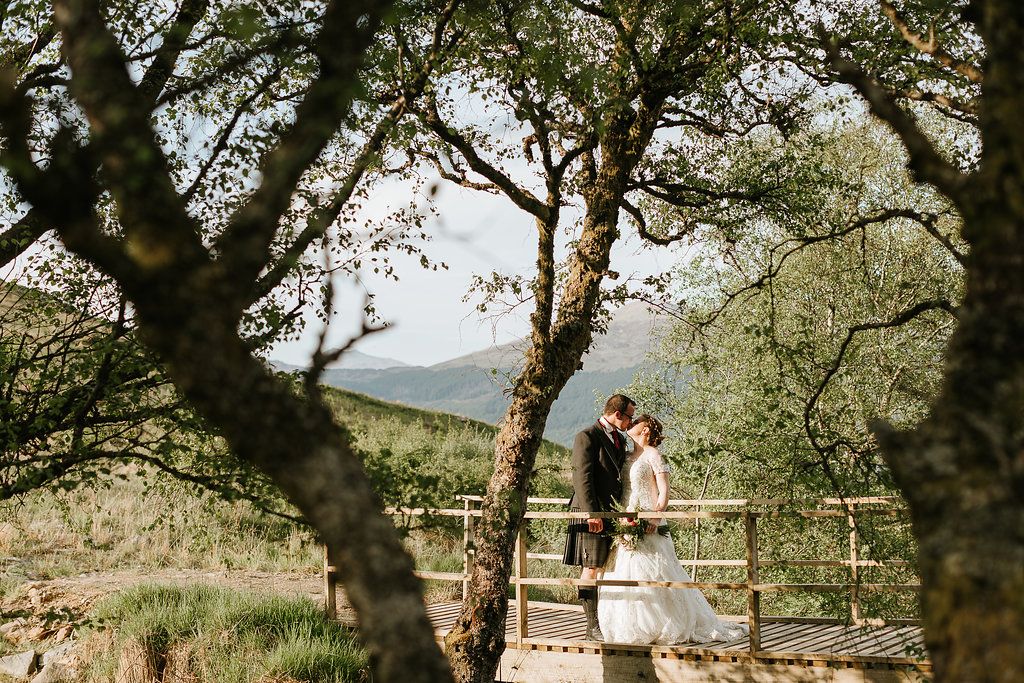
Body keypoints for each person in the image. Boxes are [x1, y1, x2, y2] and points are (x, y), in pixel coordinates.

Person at [598, 414, 749, 645]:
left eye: (636, 421)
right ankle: (632, 624)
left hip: (648, 516)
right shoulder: (627, 456)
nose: (631, 424)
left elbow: (664, 490)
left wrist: (655, 518)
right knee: (625, 570)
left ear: (645, 429)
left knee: (656, 569)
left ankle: (664, 623)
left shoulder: (654, 455)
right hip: (626, 516)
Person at [562, 393, 636, 641]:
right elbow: (582, 478)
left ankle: (604, 621)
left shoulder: (618, 439)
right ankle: (591, 627)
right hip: (590, 511)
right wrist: (591, 514)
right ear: (617, 414)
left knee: (604, 566)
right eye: (629, 417)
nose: (630, 422)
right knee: (591, 568)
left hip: (609, 512)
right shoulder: (587, 436)